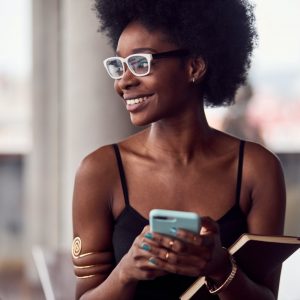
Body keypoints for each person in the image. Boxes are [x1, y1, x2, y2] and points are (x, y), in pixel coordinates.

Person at [72, 0, 286, 299]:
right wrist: (125, 272)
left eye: (140, 63)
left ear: (194, 66)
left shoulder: (256, 169)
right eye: (119, 66)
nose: (124, 82)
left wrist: (220, 268)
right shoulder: (100, 171)